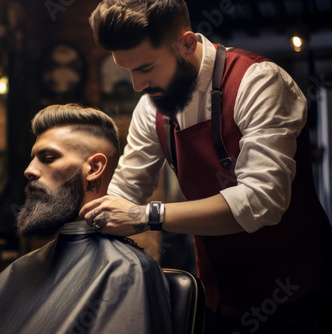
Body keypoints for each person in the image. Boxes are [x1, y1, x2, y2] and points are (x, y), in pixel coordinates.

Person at [81, 1, 332, 333]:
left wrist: (147, 216)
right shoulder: (151, 108)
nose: (137, 85)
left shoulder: (258, 82)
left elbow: (262, 201)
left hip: (300, 297)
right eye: (128, 71)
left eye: (145, 68)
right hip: (217, 297)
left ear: (186, 43)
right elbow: (125, 190)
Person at [0, 104, 173, 334]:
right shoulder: (27, 266)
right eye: (33, 158)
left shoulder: (124, 270)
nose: (29, 170)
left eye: (47, 157)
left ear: (95, 167)